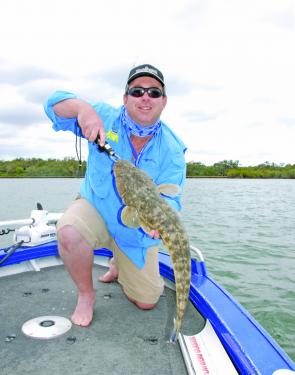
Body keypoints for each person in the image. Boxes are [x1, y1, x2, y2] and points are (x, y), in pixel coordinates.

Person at [44, 64, 187, 327]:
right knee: (68, 231)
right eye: (137, 91)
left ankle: (118, 262)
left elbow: (171, 195)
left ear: (163, 101)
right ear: (125, 97)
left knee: (147, 301)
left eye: (154, 92)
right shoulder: (103, 117)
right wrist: (82, 110)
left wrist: (161, 219)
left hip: (135, 227)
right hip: (97, 207)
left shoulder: (173, 149)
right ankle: (86, 295)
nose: (145, 96)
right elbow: (52, 105)